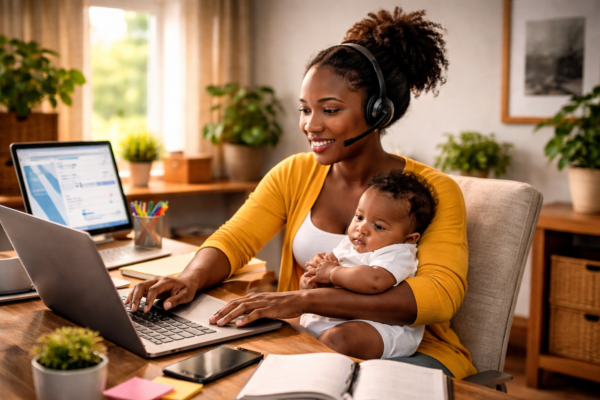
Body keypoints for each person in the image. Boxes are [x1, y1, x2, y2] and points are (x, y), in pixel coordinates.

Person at [126, 7, 477, 379]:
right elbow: (236, 238)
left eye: (330, 109)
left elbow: (439, 297)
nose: (311, 125)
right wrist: (189, 278)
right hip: (314, 338)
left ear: (378, 113)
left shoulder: (434, 190)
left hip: (410, 353)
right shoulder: (294, 172)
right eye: (305, 109)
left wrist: (300, 299)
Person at [299, 170, 437, 360]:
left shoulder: (398, 252)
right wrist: (313, 279)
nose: (361, 228)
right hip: (340, 317)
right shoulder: (351, 243)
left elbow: (374, 280)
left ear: (409, 239)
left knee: (338, 338)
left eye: (378, 226)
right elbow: (327, 267)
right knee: (286, 327)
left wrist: (332, 272)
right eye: (359, 217)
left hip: (381, 328)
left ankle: (314, 375)